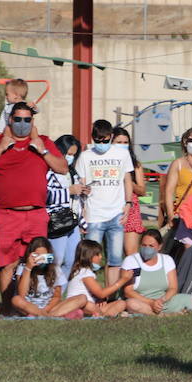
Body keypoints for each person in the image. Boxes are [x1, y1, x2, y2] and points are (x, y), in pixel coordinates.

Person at [0, 102, 69, 295]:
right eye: (18, 119)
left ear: (32, 121)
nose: (22, 123)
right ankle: (9, 308)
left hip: (36, 214)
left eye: (27, 120)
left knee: (39, 262)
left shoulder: (42, 141)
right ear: (10, 119)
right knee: (7, 264)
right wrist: (1, 147)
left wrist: (43, 150)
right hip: (8, 214)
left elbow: (62, 167)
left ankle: (36, 302)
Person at [73, 119, 134, 288]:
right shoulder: (85, 156)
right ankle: (90, 295)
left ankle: (111, 297)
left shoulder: (122, 154)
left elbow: (127, 180)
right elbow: (82, 183)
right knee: (90, 260)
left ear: (111, 137)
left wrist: (128, 204)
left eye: (105, 140)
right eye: (97, 140)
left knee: (115, 259)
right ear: (93, 138)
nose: (101, 144)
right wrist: (83, 200)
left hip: (117, 213)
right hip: (94, 215)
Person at [122, 229, 192, 315]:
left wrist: (161, 300)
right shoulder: (132, 261)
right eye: (144, 245)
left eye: (151, 246)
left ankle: (160, 312)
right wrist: (151, 303)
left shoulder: (167, 260)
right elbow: (128, 291)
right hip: (142, 302)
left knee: (190, 299)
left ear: (159, 247)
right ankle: (160, 315)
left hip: (164, 302)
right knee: (131, 304)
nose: (147, 248)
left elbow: (173, 288)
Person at [8, 237, 84, 317]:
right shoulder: (23, 267)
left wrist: (45, 310)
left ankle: (44, 315)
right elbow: (21, 295)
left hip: (49, 308)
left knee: (82, 298)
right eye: (37, 256)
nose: (41, 260)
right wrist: (28, 268)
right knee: (16, 300)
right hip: (28, 306)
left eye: (44, 256)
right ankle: (53, 315)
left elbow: (57, 296)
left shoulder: (55, 269)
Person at [45, 134, 85, 275]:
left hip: (72, 222)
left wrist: (82, 191)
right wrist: (69, 191)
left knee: (72, 261)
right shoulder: (48, 172)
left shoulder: (72, 173)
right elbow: (46, 196)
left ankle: (59, 294)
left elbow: (75, 202)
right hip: (56, 222)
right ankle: (49, 294)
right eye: (68, 154)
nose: (70, 157)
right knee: (55, 261)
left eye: (73, 155)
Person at [64, 239, 127, 318]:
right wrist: (122, 280)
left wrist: (99, 300)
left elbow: (97, 294)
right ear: (88, 256)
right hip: (79, 305)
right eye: (98, 254)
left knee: (121, 303)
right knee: (89, 306)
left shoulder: (86, 271)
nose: (101, 257)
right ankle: (101, 315)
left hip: (92, 306)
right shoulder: (84, 272)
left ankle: (100, 315)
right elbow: (101, 293)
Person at [113, 126, 147, 261]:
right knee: (113, 254)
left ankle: (132, 280)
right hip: (111, 206)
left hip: (131, 209)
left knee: (131, 252)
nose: (122, 146)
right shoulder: (107, 162)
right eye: (119, 142)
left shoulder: (135, 164)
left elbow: (142, 190)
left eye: (125, 142)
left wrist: (128, 181)